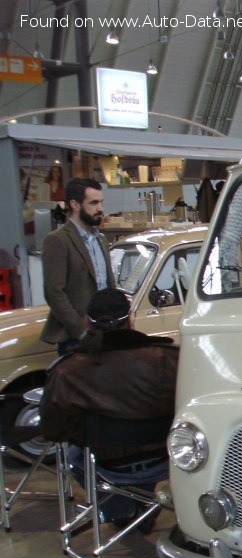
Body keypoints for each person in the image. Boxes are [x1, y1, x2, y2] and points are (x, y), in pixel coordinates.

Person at [41, 288, 179, 527]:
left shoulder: (67, 371)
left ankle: (123, 510)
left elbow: (54, 430)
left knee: (75, 454)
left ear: (87, 323)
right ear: (131, 319)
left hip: (108, 466)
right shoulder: (169, 358)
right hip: (167, 460)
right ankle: (142, 504)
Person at [40, 177, 115, 355]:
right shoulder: (58, 240)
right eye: (94, 203)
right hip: (75, 339)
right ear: (75, 204)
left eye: (101, 202)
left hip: (104, 331)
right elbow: (54, 292)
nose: (101, 209)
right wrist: (80, 330)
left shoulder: (101, 239)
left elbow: (106, 285)